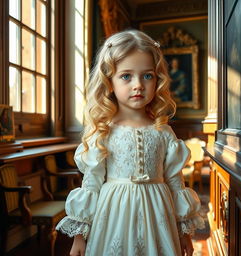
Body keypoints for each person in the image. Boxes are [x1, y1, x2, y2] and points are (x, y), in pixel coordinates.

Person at [56, 29, 204, 256]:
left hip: (159, 219)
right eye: (126, 76)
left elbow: (175, 184)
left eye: (147, 76)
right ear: (110, 81)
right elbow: (91, 185)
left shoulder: (163, 132)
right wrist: (79, 237)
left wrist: (184, 233)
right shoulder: (103, 132)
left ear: (158, 79)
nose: (138, 85)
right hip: (114, 218)